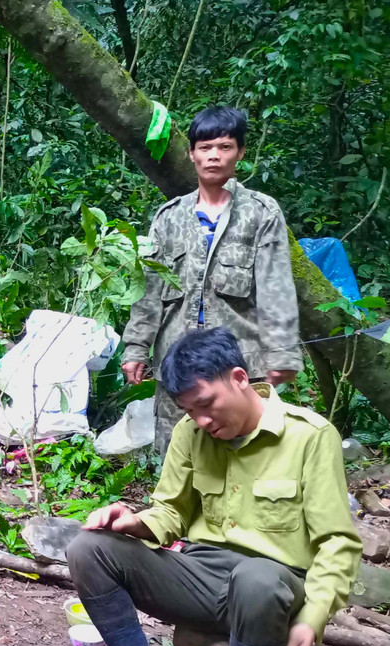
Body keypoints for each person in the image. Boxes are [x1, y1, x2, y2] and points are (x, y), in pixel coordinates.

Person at [67, 328, 360, 646]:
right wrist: (133, 522)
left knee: (256, 578)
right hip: (203, 578)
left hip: (272, 591)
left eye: (207, 404)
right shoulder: (191, 433)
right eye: (190, 411)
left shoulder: (309, 436)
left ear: (239, 378)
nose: (201, 420)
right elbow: (171, 511)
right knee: (87, 548)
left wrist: (312, 621)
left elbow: (338, 542)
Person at [121, 106, 301, 453]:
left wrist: (283, 354)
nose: (214, 156)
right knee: (179, 454)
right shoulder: (169, 217)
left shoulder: (261, 213)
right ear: (191, 153)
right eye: (205, 148)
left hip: (239, 363)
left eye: (225, 147)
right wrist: (136, 348)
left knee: (247, 455)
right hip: (176, 362)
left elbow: (275, 286)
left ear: (240, 152)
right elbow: (149, 290)